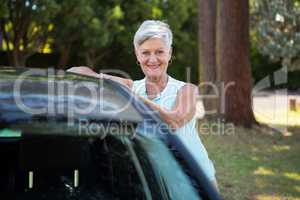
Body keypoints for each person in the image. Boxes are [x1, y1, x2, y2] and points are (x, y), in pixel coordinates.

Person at [67, 20, 217, 188]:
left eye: (159, 51)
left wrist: (130, 95)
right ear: (137, 55)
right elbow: (78, 71)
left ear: (169, 53)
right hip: (159, 184)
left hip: (197, 183)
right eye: (145, 53)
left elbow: (174, 121)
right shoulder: (131, 86)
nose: (153, 59)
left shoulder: (187, 90)